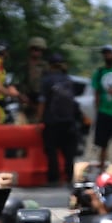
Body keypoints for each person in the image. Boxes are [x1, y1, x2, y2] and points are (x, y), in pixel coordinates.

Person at [37, 52, 80, 186]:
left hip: (52, 121)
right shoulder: (68, 80)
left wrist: (39, 120)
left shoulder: (46, 80)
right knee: (69, 152)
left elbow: (42, 102)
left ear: (50, 65)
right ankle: (69, 177)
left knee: (51, 150)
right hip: (69, 121)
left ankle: (54, 178)